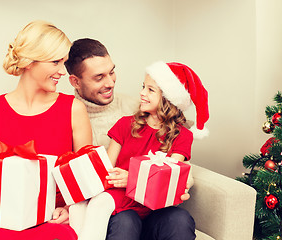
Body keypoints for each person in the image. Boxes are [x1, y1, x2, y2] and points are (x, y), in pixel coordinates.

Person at [0, 38, 197, 239]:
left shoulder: (136, 108)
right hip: (118, 207)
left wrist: (178, 178)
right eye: (99, 77)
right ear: (75, 82)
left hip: (151, 206)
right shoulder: (66, 112)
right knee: (124, 221)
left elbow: (175, 146)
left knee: (178, 220)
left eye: (112, 72)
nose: (110, 83)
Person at [0, 20, 92, 240]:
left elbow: (85, 181)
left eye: (64, 62)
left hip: (50, 220)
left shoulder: (73, 110)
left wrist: (71, 210)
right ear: (30, 61)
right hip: (1, 221)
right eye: (55, 62)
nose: (62, 71)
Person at [68, 60, 209, 240]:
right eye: (143, 87)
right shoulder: (125, 125)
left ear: (169, 98)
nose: (142, 93)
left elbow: (167, 177)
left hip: (156, 210)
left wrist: (132, 179)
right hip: (124, 208)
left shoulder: (182, 136)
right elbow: (107, 172)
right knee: (125, 222)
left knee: (180, 219)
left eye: (150, 90)